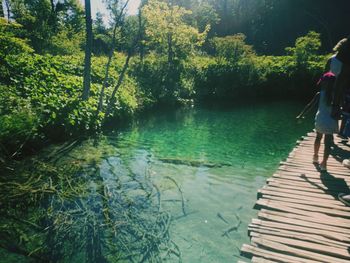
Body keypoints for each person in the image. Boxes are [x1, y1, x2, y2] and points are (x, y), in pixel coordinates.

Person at [296, 72, 338, 172]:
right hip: (331, 120)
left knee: (318, 137)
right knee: (328, 142)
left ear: (324, 83)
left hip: (320, 119)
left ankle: (315, 156)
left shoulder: (320, 94)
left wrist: (301, 115)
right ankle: (324, 164)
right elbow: (339, 109)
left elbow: (310, 106)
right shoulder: (336, 95)